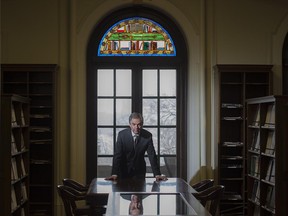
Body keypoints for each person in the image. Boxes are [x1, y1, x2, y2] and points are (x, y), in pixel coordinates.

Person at [105, 112, 167, 181]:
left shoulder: (148, 136)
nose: (136, 127)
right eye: (134, 124)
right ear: (130, 124)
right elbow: (117, 155)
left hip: (139, 172)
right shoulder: (122, 135)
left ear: (142, 124)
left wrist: (157, 174)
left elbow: (152, 155)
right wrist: (114, 173)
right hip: (123, 171)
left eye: (139, 125)